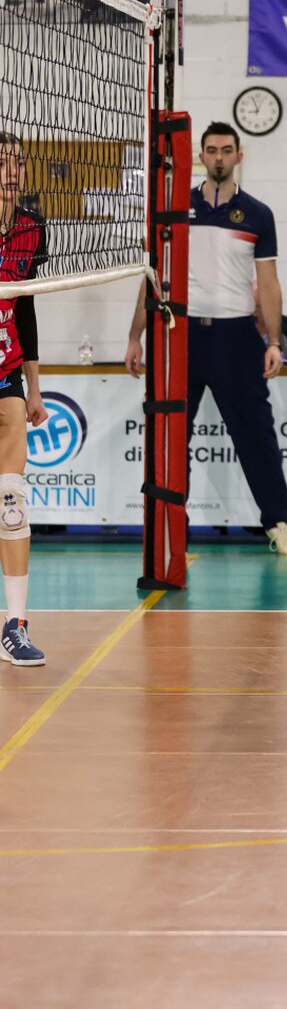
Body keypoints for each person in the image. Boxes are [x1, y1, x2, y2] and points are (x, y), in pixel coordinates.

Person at [123, 122, 287, 557]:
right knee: (172, 436)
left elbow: (269, 283)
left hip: (237, 337)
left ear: (239, 156)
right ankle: (174, 531)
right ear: (201, 156)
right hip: (180, 334)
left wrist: (274, 341)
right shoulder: (174, 210)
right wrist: (135, 336)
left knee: (256, 435)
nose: (218, 157)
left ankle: (278, 524)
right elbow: (153, 277)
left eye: (226, 150)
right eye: (211, 150)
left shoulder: (258, 214)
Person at [0, 132, 49, 666]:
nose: (11, 170)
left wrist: (35, 386)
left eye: (17, 161)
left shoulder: (32, 228)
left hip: (6, 374)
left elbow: (27, 310)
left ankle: (14, 626)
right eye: (1, 162)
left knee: (10, 501)